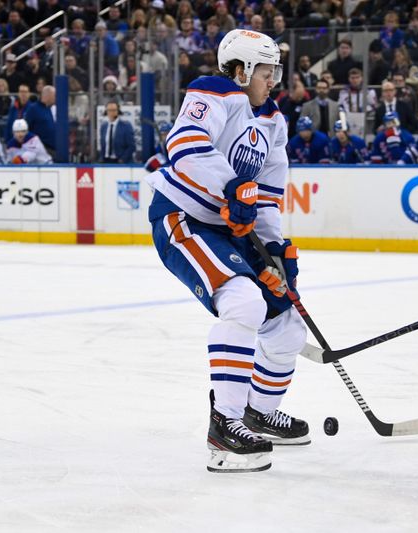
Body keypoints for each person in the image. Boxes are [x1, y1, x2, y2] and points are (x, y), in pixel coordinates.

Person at [144, 29, 310, 473]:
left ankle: (258, 411)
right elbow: (183, 146)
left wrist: (274, 248)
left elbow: (269, 194)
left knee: (287, 322)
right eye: (266, 69)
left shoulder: (274, 120)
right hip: (184, 218)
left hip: (234, 229)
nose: (273, 78)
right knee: (242, 302)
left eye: (276, 69)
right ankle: (225, 427)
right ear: (240, 70)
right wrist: (232, 186)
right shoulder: (215, 91)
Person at [24, 85, 56, 152]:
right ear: (48, 95)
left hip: (52, 149)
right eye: (54, 95)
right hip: (40, 150)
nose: (56, 98)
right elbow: (26, 128)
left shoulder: (49, 109)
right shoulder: (33, 109)